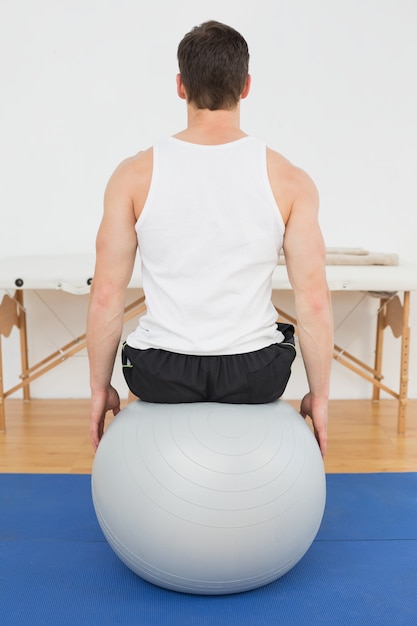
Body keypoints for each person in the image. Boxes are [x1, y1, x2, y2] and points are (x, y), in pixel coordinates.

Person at [87, 20, 333, 456]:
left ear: (181, 86)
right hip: (254, 375)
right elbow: (313, 300)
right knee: (278, 335)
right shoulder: (290, 179)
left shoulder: (133, 175)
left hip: (159, 373)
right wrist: (320, 398)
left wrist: (100, 390)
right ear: (246, 85)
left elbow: (107, 294)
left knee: (138, 348)